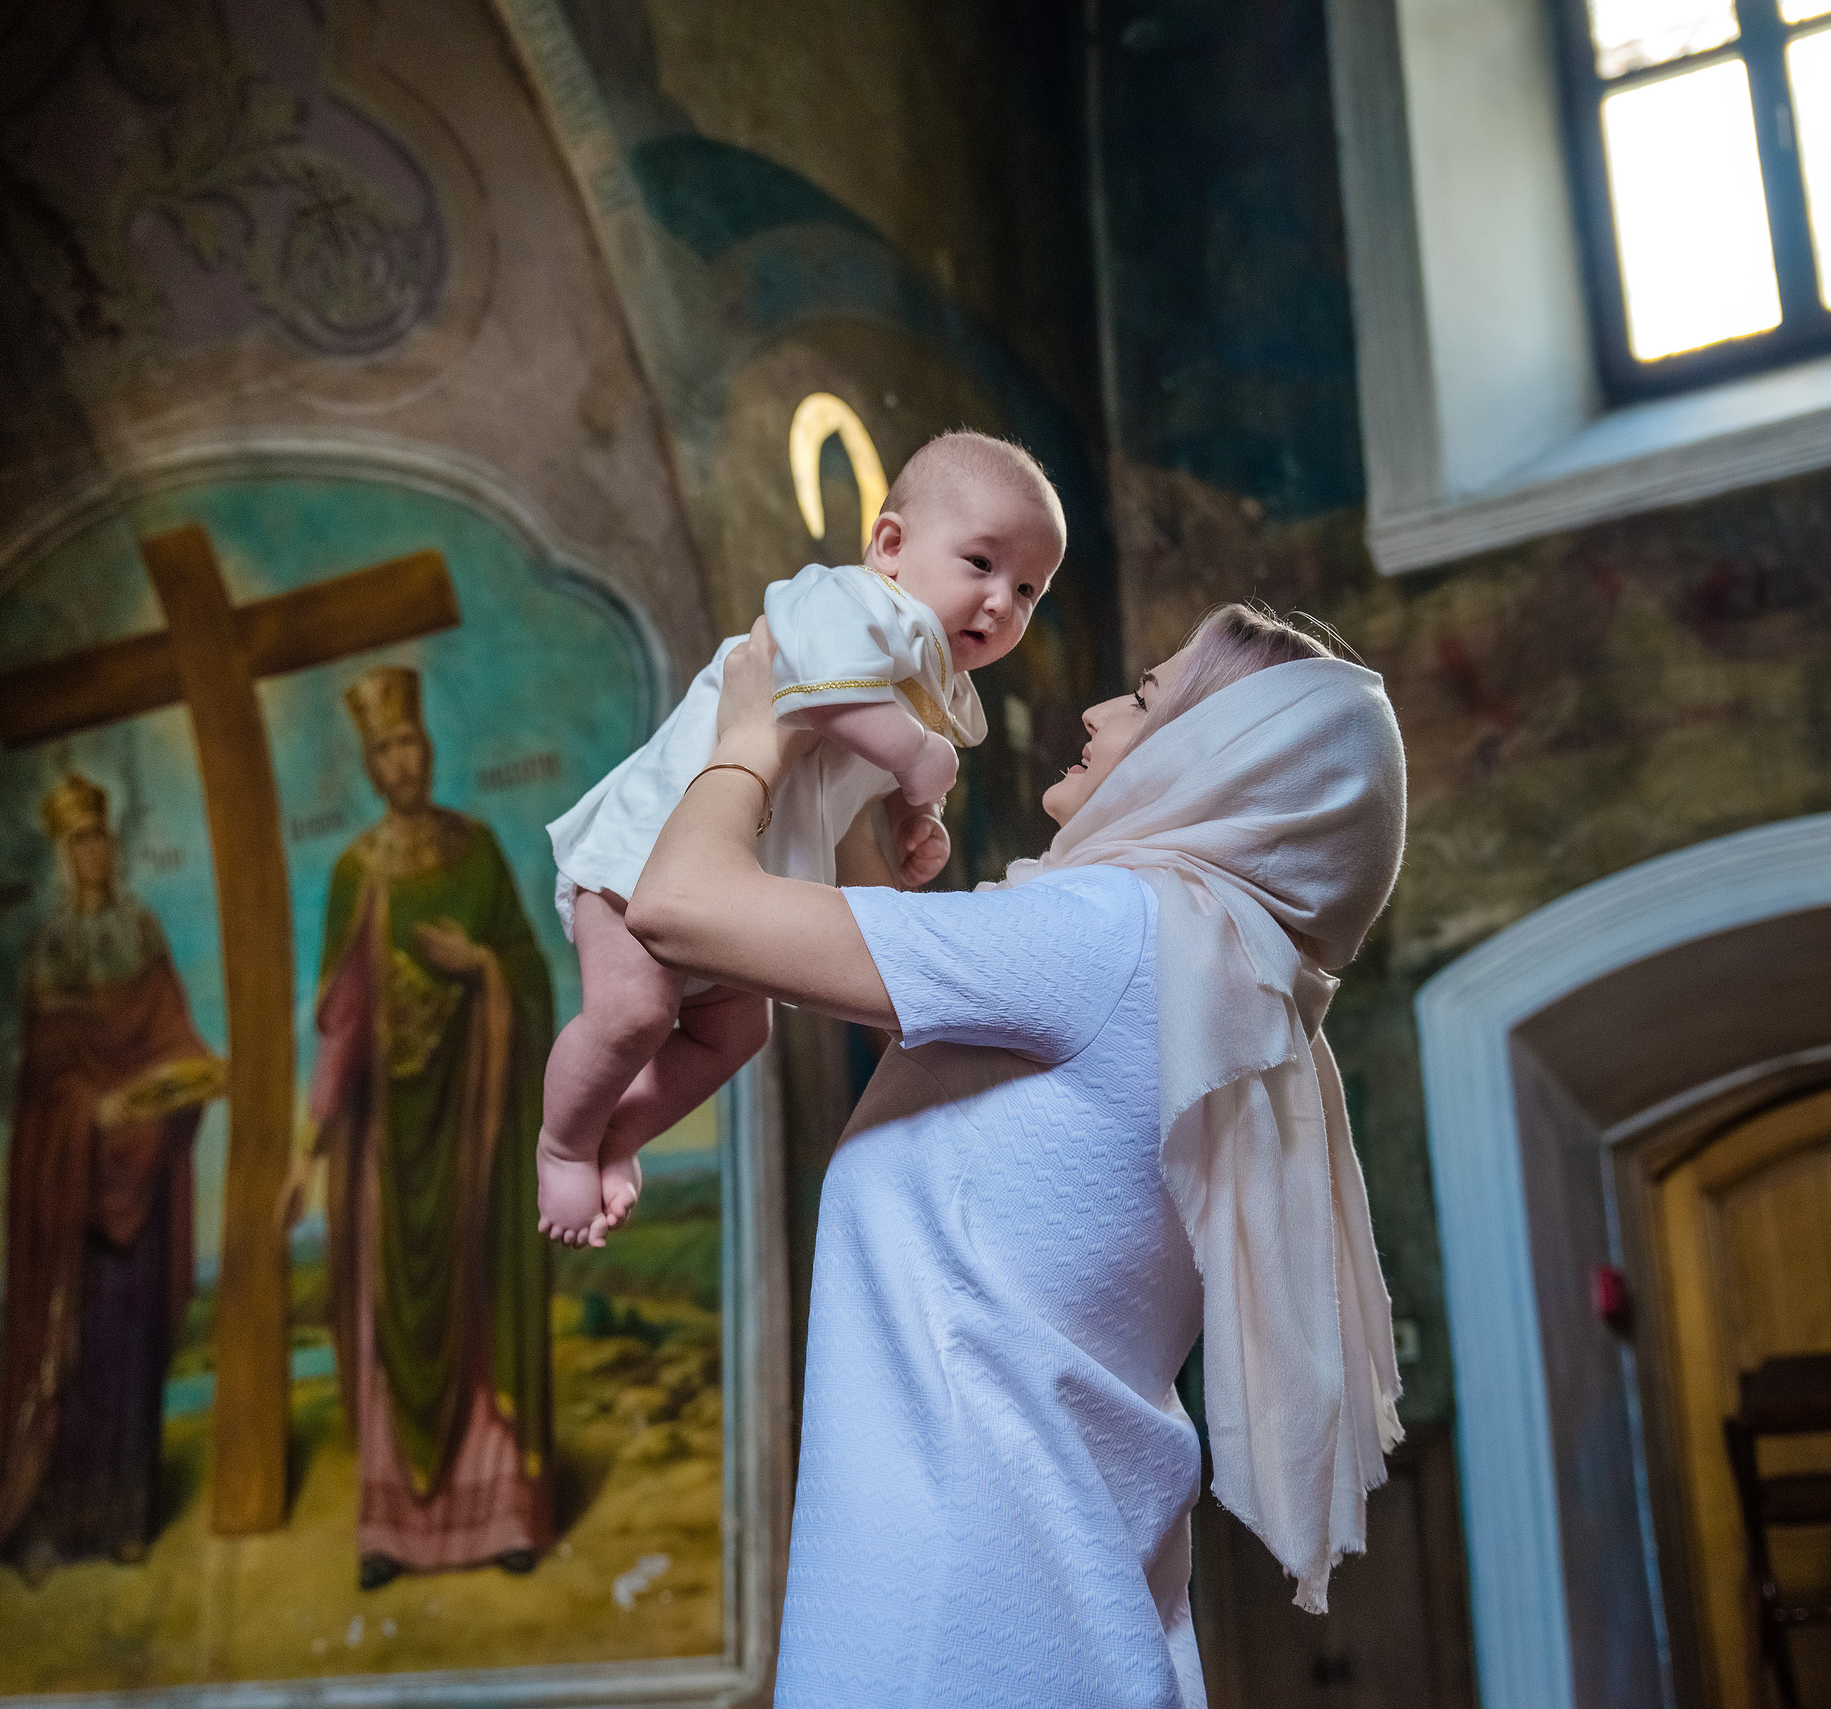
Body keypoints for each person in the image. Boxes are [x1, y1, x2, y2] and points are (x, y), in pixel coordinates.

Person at [629, 603, 1409, 1706]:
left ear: (1214, 753)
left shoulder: (1114, 929)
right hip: (1046, 1605)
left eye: (1145, 697)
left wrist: (750, 735)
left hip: (958, 1607)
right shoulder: (1218, 982)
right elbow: (935, 1081)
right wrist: (858, 809)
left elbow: (677, 905)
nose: (1098, 711)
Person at [540, 430, 1067, 1245]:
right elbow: (821, 694)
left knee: (737, 1034)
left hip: (732, 890)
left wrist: (912, 820)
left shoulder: (932, 682)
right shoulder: (850, 602)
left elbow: (859, 776)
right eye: (981, 563)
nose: (1002, 602)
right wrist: (916, 756)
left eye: (1028, 589)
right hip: (641, 859)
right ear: (890, 545)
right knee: (635, 1015)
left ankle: (621, 1131)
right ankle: (565, 1145)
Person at [292, 666, 558, 1591]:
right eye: (384, 749)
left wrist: (481, 963)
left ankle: (502, 1511)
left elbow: (528, 971)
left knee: (479, 1296)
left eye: (410, 741)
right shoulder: (357, 875)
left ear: (428, 748)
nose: (402, 760)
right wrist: (304, 1152)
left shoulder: (477, 852)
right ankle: (391, 1531)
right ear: (370, 766)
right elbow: (342, 1026)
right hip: (386, 1139)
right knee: (386, 1313)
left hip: (474, 1127)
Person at [0, 772, 225, 1582]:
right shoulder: (50, 950)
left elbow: (171, 1031)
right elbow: (45, 1080)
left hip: (141, 1178)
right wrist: (93, 1111)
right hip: (79, 1185)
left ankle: (125, 1512)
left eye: (101, 836)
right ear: (63, 852)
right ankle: (62, 1511)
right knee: (77, 1350)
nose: (95, 851)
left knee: (133, 1339)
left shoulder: (140, 928)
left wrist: (190, 1073)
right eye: (79, 839)